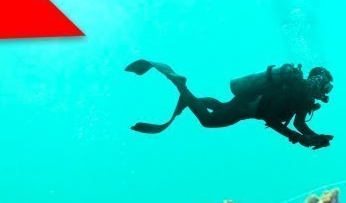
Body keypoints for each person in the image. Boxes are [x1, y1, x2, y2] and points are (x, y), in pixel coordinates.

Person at [125, 60, 335, 149]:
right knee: (208, 121)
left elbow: (300, 124)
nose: (325, 92)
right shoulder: (295, 91)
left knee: (221, 108)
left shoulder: (303, 99)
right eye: (326, 87)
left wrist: (316, 136)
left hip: (248, 107)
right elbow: (271, 119)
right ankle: (180, 85)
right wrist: (296, 137)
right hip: (247, 106)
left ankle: (194, 100)